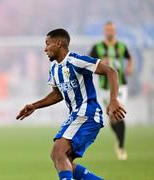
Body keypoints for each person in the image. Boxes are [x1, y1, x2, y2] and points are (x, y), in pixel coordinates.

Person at [16, 28, 126, 180]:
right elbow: (57, 94)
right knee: (64, 162)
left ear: (59, 43)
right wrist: (34, 106)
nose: (45, 48)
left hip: (87, 113)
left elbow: (111, 72)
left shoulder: (77, 60)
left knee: (57, 153)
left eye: (48, 44)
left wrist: (113, 100)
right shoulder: (54, 68)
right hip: (76, 115)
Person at [89, 21, 133, 160]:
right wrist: (101, 63)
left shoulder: (121, 46)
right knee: (112, 118)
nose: (110, 32)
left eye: (112, 29)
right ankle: (119, 143)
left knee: (117, 111)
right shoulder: (97, 48)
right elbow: (89, 64)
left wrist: (129, 67)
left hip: (121, 86)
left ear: (115, 31)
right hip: (104, 88)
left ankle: (121, 146)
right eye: (107, 29)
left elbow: (129, 57)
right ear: (104, 31)